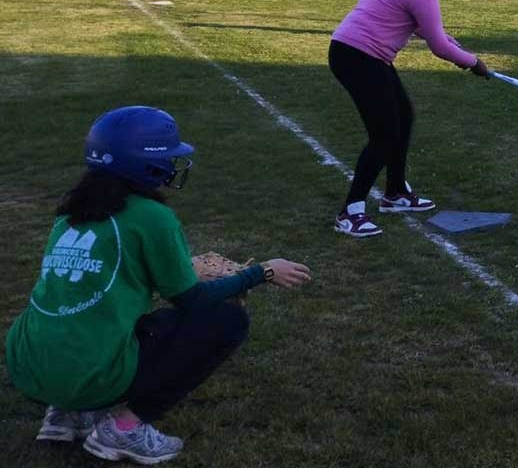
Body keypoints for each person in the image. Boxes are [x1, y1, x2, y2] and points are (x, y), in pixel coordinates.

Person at [4, 106, 312, 464]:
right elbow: (192, 301)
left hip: (27, 362)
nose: (172, 162)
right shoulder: (151, 216)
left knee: (92, 314)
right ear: (145, 163)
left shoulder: (72, 210)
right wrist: (261, 272)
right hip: (86, 373)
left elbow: (107, 276)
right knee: (227, 321)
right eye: (167, 155)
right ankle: (124, 428)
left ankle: (66, 412)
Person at [329, 0, 490, 238]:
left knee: (403, 117)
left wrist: (452, 44)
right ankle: (351, 211)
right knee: (385, 133)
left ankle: (395, 193)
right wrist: (474, 63)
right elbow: (439, 47)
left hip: (355, 53)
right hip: (359, 58)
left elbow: (424, 29)